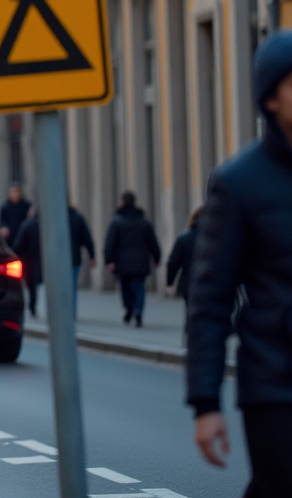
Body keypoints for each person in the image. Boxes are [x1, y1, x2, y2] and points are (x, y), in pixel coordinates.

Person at [187, 30, 292, 495]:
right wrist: (205, 403)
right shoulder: (239, 183)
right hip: (277, 388)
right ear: (271, 97)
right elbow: (210, 301)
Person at [11, 202, 95, 314]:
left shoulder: (45, 222)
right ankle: (70, 310)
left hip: (50, 260)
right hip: (72, 257)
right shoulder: (75, 218)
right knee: (71, 285)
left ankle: (57, 309)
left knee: (49, 285)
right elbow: (86, 238)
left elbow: (19, 245)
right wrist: (92, 255)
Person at [104, 191, 161, 327]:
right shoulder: (143, 222)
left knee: (125, 287)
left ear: (122, 202)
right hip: (141, 260)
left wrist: (109, 260)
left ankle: (128, 308)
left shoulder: (116, 221)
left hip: (122, 261)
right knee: (140, 286)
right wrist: (156, 258)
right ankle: (138, 311)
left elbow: (109, 242)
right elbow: (153, 242)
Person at [8, 206, 42, 316]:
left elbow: (19, 243)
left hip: (26, 259)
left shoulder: (26, 225)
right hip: (37, 258)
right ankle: (32, 306)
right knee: (33, 285)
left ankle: (30, 306)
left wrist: (13, 254)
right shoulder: (41, 226)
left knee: (28, 283)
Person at [166, 206, 201, 303]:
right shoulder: (218, 239)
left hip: (189, 282)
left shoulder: (184, 238)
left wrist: (170, 281)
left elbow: (173, 262)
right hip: (214, 283)